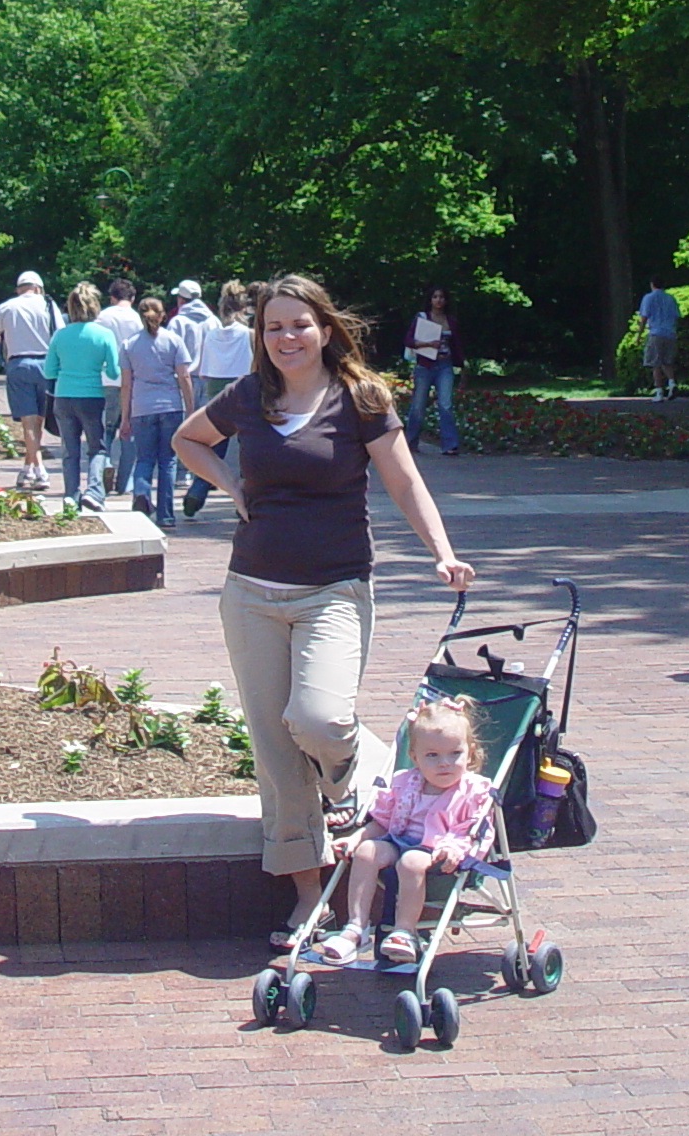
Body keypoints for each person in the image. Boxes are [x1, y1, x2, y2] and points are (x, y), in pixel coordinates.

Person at [174, 274, 473, 947]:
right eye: (273, 327)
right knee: (276, 751)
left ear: (326, 329)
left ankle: (353, 785)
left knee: (318, 716)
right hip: (250, 591)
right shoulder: (250, 394)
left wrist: (442, 551)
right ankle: (309, 897)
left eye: (299, 325)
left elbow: (403, 479)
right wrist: (231, 483)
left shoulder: (360, 398)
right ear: (261, 336)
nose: (287, 337)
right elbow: (189, 440)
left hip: (334, 588)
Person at [308, 695, 494, 969]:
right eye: (432, 755)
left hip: (438, 851)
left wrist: (453, 849)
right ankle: (355, 928)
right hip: (399, 840)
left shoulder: (473, 791)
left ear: (470, 752)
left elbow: (471, 830)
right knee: (368, 851)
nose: (444, 763)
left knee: (411, 860)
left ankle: (404, 931)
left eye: (455, 753)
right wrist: (356, 837)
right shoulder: (404, 783)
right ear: (414, 757)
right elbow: (382, 822)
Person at [119, 295, 197, 527]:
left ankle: (141, 493)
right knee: (168, 461)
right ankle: (166, 515)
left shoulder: (129, 344)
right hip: (170, 405)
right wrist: (190, 409)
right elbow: (184, 376)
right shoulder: (173, 341)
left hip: (141, 407)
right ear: (163, 315)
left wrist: (125, 417)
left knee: (144, 459)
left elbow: (126, 384)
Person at [43, 282, 120, 509]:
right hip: (92, 397)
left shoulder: (60, 335)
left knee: (70, 449)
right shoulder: (104, 335)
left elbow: (49, 370)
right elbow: (113, 371)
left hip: (63, 396)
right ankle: (94, 491)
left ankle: (70, 495)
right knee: (97, 447)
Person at [0, 270, 61, 492]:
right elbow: (59, 333)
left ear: (20, 288)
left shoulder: (9, 306)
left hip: (18, 364)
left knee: (28, 422)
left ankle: (34, 469)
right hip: (46, 365)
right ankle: (34, 468)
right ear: (38, 287)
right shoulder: (48, 305)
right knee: (39, 421)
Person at [183, 279, 253, 520]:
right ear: (244, 308)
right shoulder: (249, 334)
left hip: (215, 393)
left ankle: (197, 490)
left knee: (213, 449)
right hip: (244, 391)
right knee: (250, 449)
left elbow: (203, 369)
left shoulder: (212, 334)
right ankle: (247, 497)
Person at [95, 279, 146, 499]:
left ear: (111, 297)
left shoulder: (102, 317)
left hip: (106, 378)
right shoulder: (138, 319)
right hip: (131, 380)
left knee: (105, 429)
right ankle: (125, 482)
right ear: (132, 298)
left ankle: (103, 464)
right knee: (129, 431)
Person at [401, 286, 462, 456]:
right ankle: (411, 441)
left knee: (446, 404)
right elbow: (409, 340)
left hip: (445, 365)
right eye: (435, 297)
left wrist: (462, 364)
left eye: (441, 297)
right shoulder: (422, 318)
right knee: (418, 405)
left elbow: (456, 345)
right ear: (430, 300)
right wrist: (427, 344)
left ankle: (450, 444)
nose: (438, 300)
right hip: (425, 366)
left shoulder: (450, 320)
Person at [638, 279, 683, 400]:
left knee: (655, 364)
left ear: (652, 284)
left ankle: (659, 392)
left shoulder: (648, 298)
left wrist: (639, 335)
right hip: (670, 333)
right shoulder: (670, 299)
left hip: (655, 333)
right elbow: (677, 317)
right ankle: (672, 383)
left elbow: (644, 318)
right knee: (667, 362)